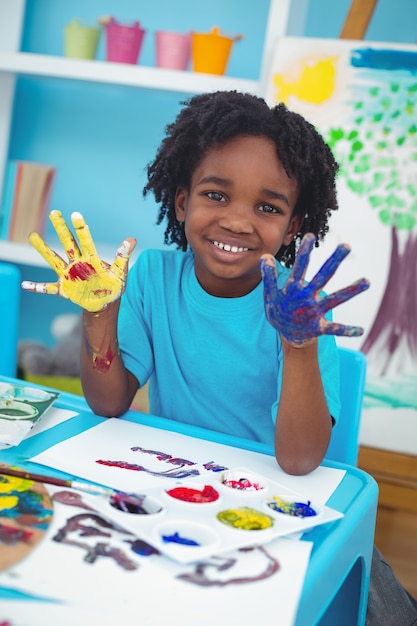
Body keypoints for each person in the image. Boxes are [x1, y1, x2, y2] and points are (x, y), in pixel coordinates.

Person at [22, 91, 416, 624]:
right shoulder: (155, 277)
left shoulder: (301, 314)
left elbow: (300, 463)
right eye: (216, 195)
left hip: (275, 505)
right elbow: (110, 401)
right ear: (182, 202)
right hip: (173, 490)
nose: (237, 221)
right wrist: (100, 314)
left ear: (294, 226)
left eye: (268, 207)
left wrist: (297, 344)